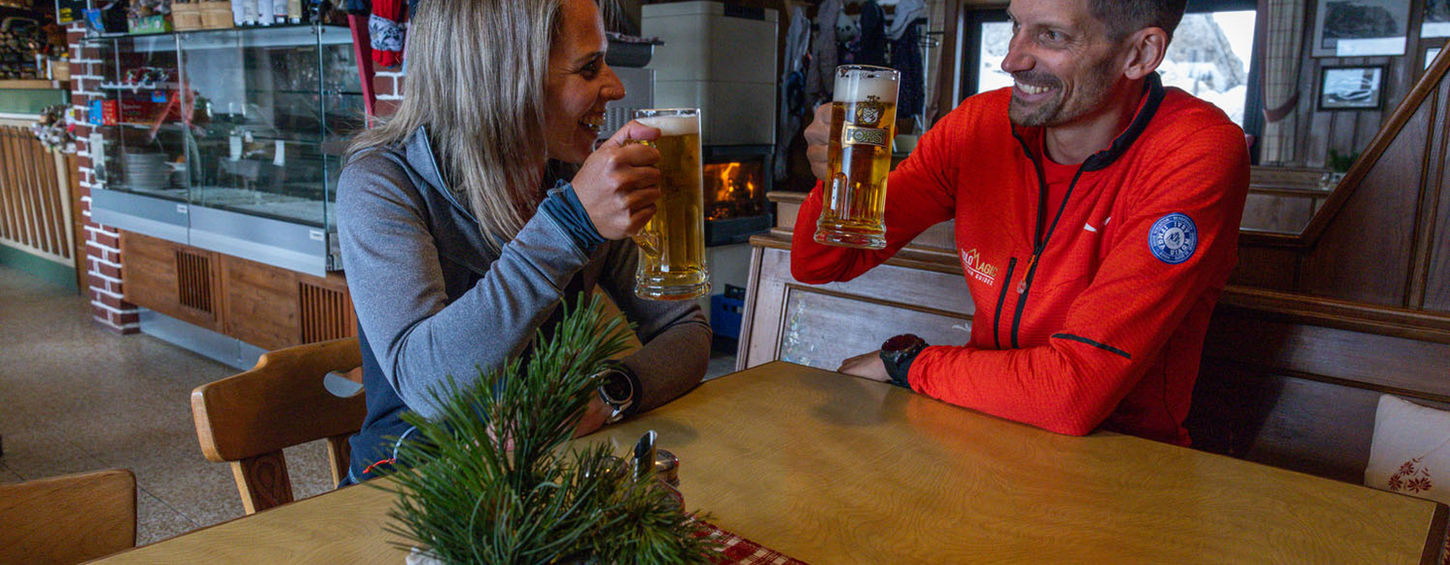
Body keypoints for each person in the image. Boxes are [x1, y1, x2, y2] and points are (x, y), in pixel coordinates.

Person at [792, 0, 1248, 445]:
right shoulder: (980, 125)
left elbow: (1069, 396)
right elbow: (821, 264)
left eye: (1052, 35)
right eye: (1015, 25)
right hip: (976, 427)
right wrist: (834, 177)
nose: (1011, 59)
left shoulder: (1194, 151)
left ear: (1140, 54)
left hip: (1122, 458)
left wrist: (908, 364)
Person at [336, 0, 710, 483]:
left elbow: (686, 328)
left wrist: (611, 393)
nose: (615, 87)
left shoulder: (571, 174)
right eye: (589, 67)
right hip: (409, 496)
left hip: (541, 486)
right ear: (503, 79)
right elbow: (429, 386)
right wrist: (570, 224)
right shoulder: (382, 182)